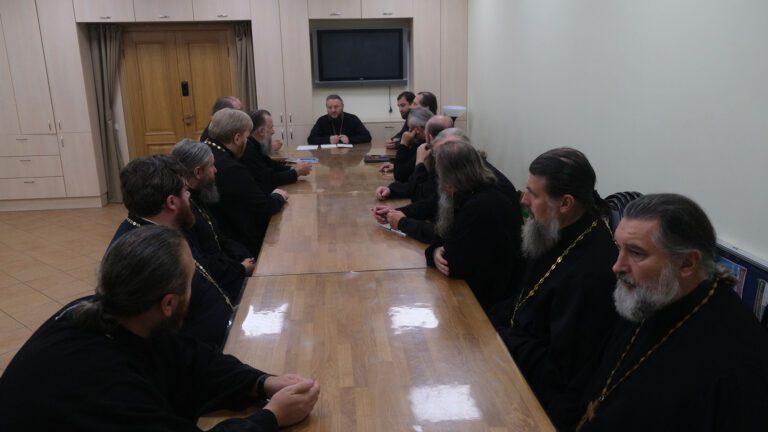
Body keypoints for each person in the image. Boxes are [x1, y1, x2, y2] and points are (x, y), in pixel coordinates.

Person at [0, 226, 320, 431]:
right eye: (192, 281)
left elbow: (190, 359)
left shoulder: (112, 310)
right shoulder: (106, 383)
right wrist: (271, 417)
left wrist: (261, 382)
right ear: (169, 303)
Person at [551, 194, 768, 431]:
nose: (617, 266)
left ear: (686, 263)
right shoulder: (648, 297)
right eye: (619, 248)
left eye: (636, 253)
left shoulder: (739, 362)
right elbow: (588, 385)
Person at [493, 147, 619, 409]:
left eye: (533, 193)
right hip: (513, 351)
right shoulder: (553, 229)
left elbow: (560, 368)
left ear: (565, 203)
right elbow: (524, 299)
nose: (524, 200)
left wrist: (499, 337)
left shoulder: (591, 272)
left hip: (541, 396)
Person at [110, 155, 235, 348]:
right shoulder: (143, 255)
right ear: (172, 202)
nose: (189, 195)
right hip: (204, 352)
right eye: (185, 190)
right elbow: (161, 337)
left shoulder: (159, 228)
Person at [423, 139, 522, 312]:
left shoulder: (479, 206)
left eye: (440, 174)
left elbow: (453, 265)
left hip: (490, 302)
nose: (439, 182)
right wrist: (435, 250)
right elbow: (445, 237)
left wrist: (436, 251)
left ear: (451, 178)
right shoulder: (474, 191)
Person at [374, 129, 519, 245]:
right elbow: (433, 201)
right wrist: (396, 213)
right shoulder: (466, 175)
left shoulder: (484, 195)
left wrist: (403, 223)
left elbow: (450, 236)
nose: (439, 162)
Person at [172, 138, 255, 300]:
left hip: (227, 268)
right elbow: (204, 263)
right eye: (211, 166)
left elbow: (218, 237)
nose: (216, 170)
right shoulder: (185, 211)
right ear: (198, 172)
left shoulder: (199, 195)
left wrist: (244, 257)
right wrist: (240, 269)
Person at [205, 108, 289, 257]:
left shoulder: (209, 149)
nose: (247, 142)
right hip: (237, 243)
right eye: (246, 137)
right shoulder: (231, 168)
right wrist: (278, 196)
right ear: (237, 138)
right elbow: (264, 206)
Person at [376, 114, 453, 201]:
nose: (409, 132)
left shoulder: (440, 157)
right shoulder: (445, 152)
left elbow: (419, 195)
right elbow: (415, 185)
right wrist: (391, 190)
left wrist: (419, 162)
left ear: (429, 137)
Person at [244, 109, 311, 191]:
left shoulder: (255, 145)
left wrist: (293, 168)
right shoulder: (248, 150)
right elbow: (268, 180)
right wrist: (297, 172)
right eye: (271, 128)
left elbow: (272, 165)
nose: (273, 132)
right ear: (261, 131)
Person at [307, 94, 371, 144]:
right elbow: (311, 139)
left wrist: (349, 139)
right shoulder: (321, 120)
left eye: (336, 107)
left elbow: (367, 136)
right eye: (330, 107)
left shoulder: (353, 118)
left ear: (342, 106)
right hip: (328, 154)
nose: (333, 110)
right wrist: (328, 140)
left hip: (349, 154)